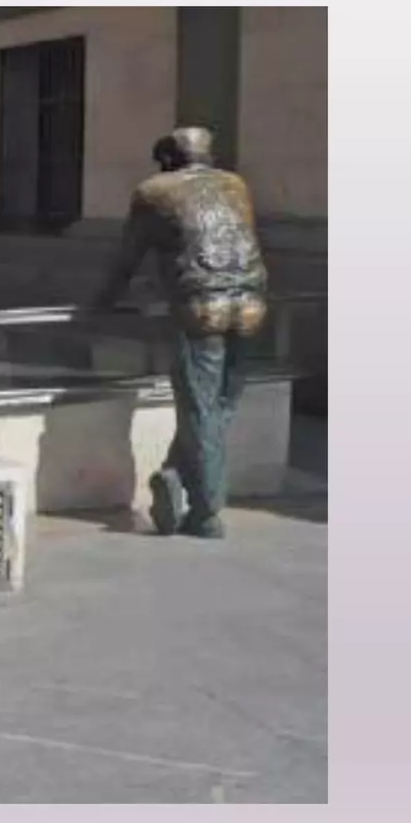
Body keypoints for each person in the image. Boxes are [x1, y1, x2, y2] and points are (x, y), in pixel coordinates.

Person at [91, 126, 268, 539]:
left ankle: (206, 513)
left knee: (200, 410)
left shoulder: (155, 191)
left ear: (169, 159)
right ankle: (174, 476)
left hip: (201, 307)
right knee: (217, 407)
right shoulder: (235, 185)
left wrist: (100, 303)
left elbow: (126, 259)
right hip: (251, 304)